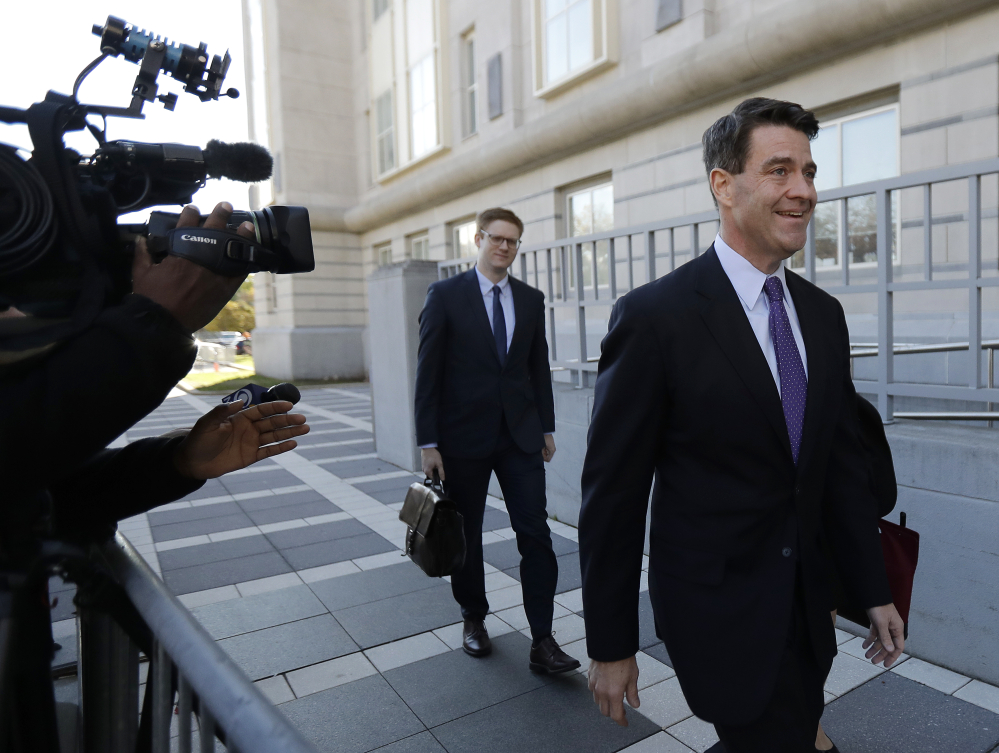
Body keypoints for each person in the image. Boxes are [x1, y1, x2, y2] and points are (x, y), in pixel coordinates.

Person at [578, 99, 905, 752]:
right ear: (722, 186)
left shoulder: (821, 314)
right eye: (779, 170)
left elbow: (837, 466)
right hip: (715, 611)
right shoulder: (654, 317)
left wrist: (871, 587)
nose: (804, 191)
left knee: (785, 728)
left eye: (809, 172)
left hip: (809, 605)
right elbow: (612, 495)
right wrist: (610, 643)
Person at [414, 207, 579, 673]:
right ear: (478, 239)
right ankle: (473, 618)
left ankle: (543, 640)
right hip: (461, 440)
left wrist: (546, 426)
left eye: (513, 241)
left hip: (520, 438)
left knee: (536, 535)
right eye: (497, 238)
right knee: (467, 536)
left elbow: (536, 367)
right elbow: (428, 374)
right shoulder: (445, 296)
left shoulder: (530, 299)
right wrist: (429, 441)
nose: (504, 247)